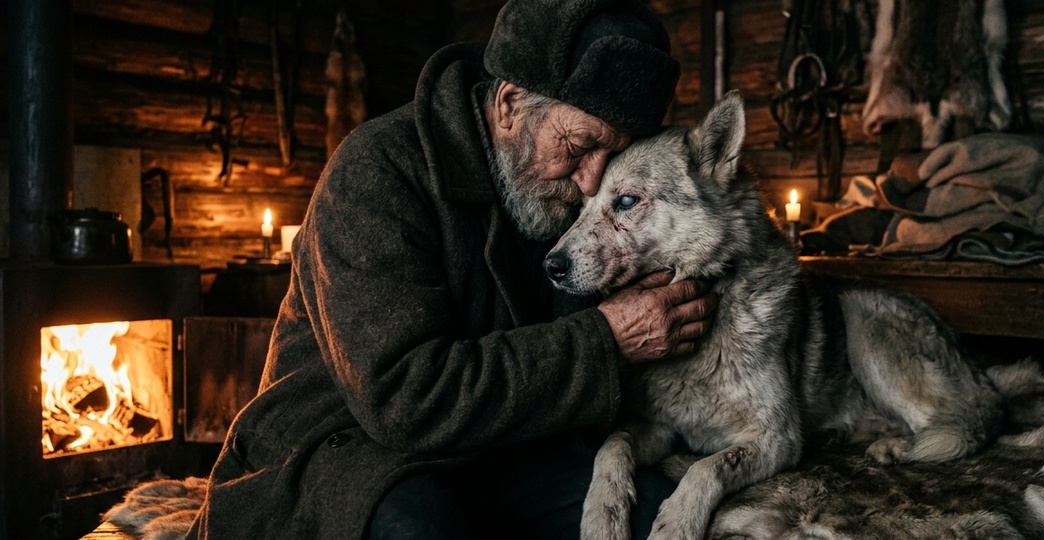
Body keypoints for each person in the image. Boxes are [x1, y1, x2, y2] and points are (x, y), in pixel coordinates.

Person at [187, 0, 718, 538]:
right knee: (420, 527)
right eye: (579, 147)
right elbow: (405, 398)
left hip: (499, 449)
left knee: (654, 509)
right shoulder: (375, 172)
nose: (588, 183)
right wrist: (607, 339)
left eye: (613, 158)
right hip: (345, 445)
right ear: (510, 104)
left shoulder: (562, 195)